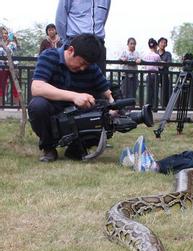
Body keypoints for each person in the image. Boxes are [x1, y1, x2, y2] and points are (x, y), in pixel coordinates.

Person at [28, 34, 114, 162]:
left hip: (78, 112)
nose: (83, 68)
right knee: (37, 106)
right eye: (82, 63)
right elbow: (36, 87)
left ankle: (76, 149)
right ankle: (48, 147)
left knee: (104, 117)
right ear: (71, 50)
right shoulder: (49, 56)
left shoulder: (91, 67)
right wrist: (74, 96)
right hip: (53, 108)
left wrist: (113, 107)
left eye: (87, 65)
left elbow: (107, 92)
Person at [56, 0, 111, 74]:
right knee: (72, 81)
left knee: (98, 80)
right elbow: (60, 19)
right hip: (76, 43)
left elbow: (103, 20)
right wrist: (66, 42)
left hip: (98, 44)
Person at [0, 26, 20, 106]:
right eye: (2, 33)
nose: (4, 35)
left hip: (12, 66)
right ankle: (1, 106)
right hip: (1, 67)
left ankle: (18, 106)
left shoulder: (12, 43)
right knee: (1, 86)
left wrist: (12, 39)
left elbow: (11, 50)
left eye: (6, 33)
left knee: (16, 86)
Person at [142, 38, 161, 112]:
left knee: (148, 91)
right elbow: (160, 66)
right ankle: (155, 107)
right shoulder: (157, 56)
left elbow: (144, 66)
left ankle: (147, 108)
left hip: (148, 75)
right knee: (155, 91)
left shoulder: (145, 55)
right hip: (155, 75)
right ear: (156, 46)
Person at [157, 37, 172, 107]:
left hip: (165, 74)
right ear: (158, 43)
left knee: (166, 89)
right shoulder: (155, 53)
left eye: (165, 43)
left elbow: (169, 63)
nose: (163, 44)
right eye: (162, 42)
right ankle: (154, 105)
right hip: (156, 74)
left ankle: (165, 106)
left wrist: (163, 63)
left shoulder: (168, 54)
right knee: (154, 89)